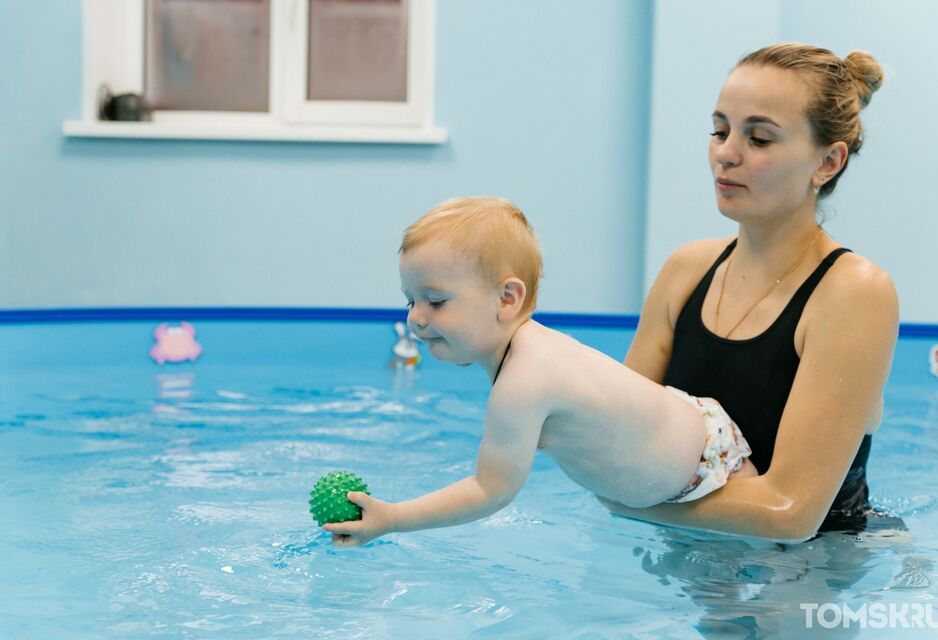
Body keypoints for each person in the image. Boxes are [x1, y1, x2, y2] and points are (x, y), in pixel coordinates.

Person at [323, 196, 758, 547]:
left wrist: (394, 517)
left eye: (435, 301)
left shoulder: (524, 382)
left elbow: (490, 491)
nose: (416, 318)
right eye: (409, 300)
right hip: (691, 439)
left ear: (507, 299)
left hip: (707, 467)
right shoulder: (526, 351)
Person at [603, 43, 899, 540]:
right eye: (719, 131)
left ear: (827, 162)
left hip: (812, 573)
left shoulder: (854, 293)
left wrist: (624, 500)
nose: (726, 153)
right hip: (693, 559)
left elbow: (791, 513)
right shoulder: (686, 271)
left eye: (759, 139)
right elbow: (614, 433)